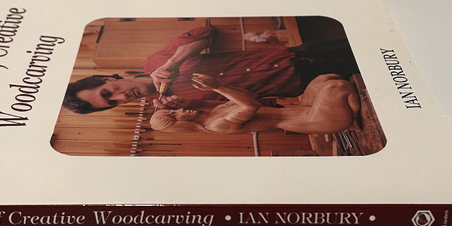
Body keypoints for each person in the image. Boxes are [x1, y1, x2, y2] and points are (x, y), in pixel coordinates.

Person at [62, 25, 357, 114]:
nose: (121, 98)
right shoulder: (171, 105)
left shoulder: (155, 62)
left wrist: (172, 63)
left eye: (108, 92)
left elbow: (205, 33)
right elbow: (252, 107)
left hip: (304, 54)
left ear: (107, 78)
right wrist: (193, 106)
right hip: (312, 85)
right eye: (112, 103)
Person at [149, 73, 360, 136]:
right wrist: (217, 87)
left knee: (325, 79)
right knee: (337, 87)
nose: (179, 111)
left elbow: (251, 97)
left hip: (302, 109)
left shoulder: (214, 112)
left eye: (173, 111)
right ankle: (353, 117)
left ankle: (349, 116)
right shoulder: (216, 125)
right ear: (180, 125)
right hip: (311, 120)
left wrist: (220, 87)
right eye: (175, 116)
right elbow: (250, 107)